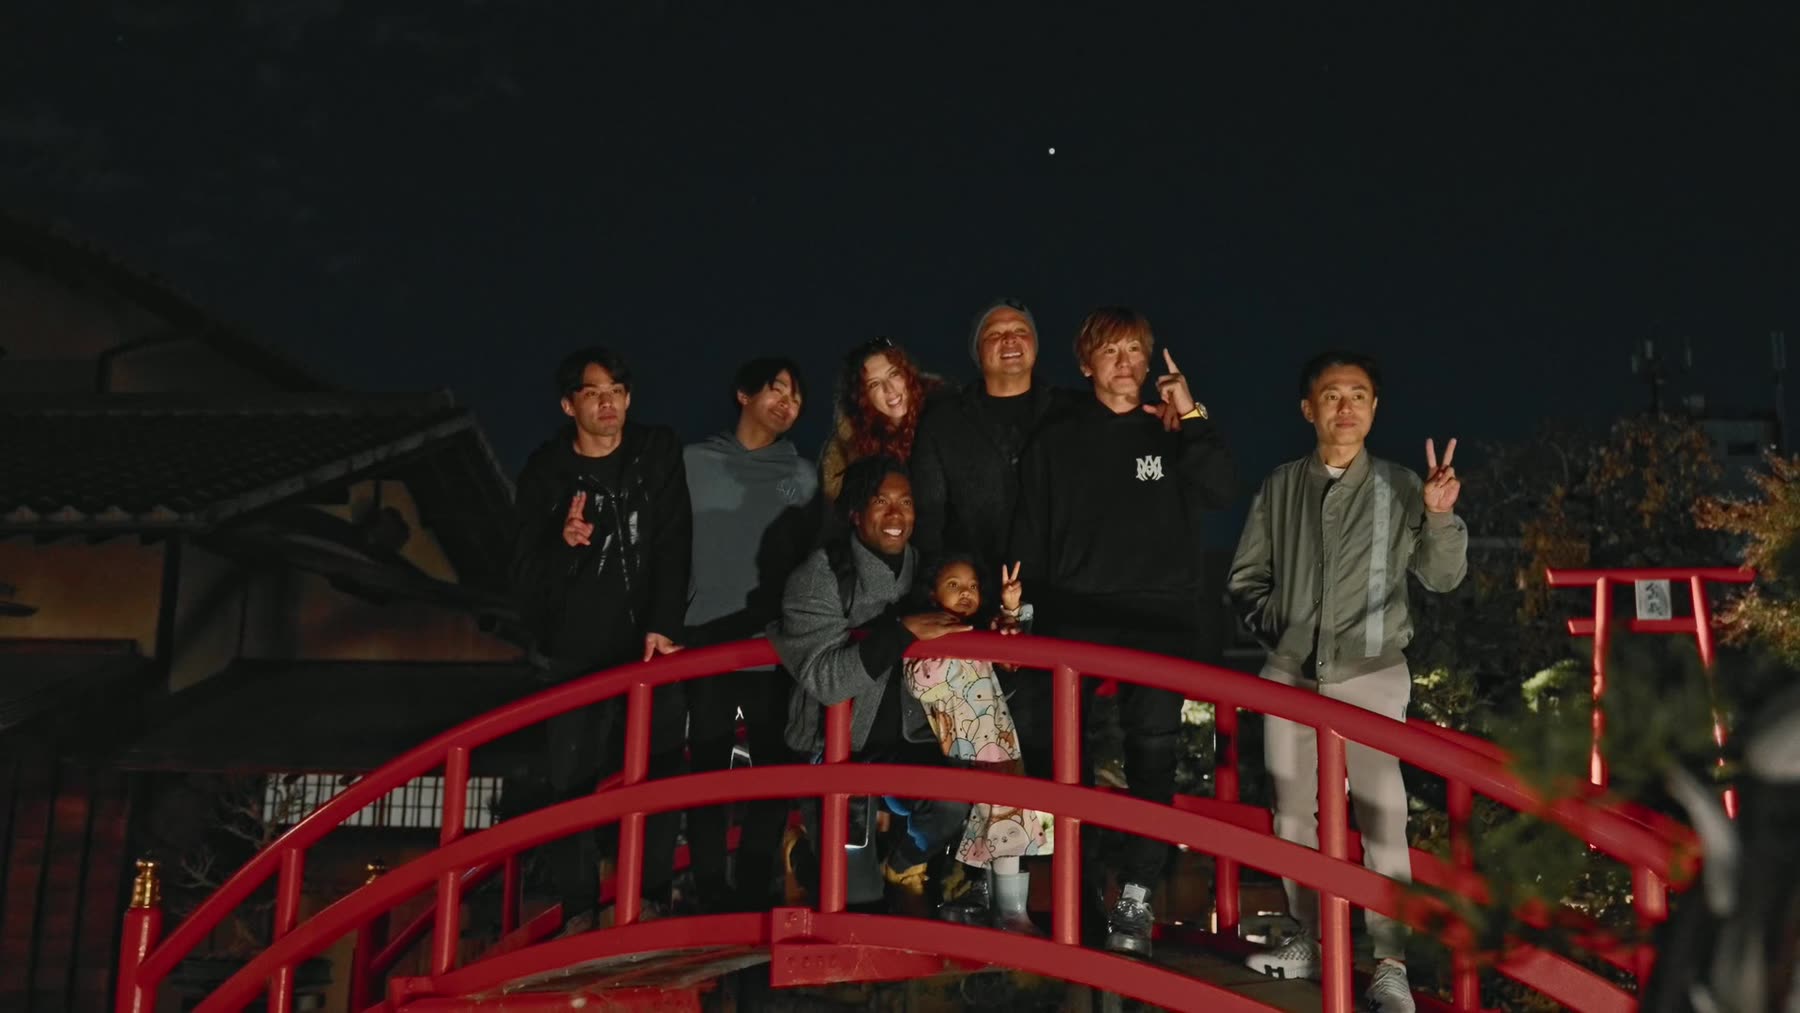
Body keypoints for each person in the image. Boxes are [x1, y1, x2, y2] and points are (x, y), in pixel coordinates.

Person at [1228, 349, 1467, 1013]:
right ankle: (1308, 933)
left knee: (1383, 814)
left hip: (1373, 671)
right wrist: (1285, 629)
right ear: (1308, 408)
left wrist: (1440, 515)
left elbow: (1443, 576)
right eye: (1331, 395)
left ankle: (1390, 962)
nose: (1345, 407)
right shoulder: (1281, 485)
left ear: (1375, 408)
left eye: (1358, 395)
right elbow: (1245, 578)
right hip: (1289, 674)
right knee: (1290, 811)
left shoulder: (1400, 484)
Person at [1010, 306, 1235, 957]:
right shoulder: (1057, 439)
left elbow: (1222, 490)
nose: (1126, 363)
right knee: (1062, 761)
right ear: (1087, 364)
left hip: (1158, 615)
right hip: (1074, 611)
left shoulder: (1172, 431)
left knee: (1153, 756)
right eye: (1111, 351)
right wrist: (1021, 609)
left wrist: (1192, 413)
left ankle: (1136, 894)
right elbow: (1030, 529)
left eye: (1136, 350)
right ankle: (1078, 892)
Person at [509, 346, 691, 934]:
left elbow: (674, 540)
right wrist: (563, 543)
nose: (607, 402)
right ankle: (580, 909)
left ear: (629, 397)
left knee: (660, 769)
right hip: (575, 649)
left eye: (616, 390)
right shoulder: (545, 473)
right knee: (572, 782)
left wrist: (665, 622)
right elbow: (523, 573)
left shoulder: (655, 452)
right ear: (569, 405)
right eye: (593, 393)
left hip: (649, 642)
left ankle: (652, 898)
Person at [769, 455, 973, 915]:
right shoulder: (820, 577)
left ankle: (900, 865)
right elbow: (826, 680)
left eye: (906, 502)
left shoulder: (928, 573)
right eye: (881, 502)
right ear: (856, 513)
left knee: (954, 802)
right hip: (837, 750)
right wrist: (902, 631)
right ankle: (805, 857)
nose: (896, 514)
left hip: (908, 745)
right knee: (856, 904)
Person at [911, 297, 1081, 777]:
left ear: (1036, 346)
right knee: (984, 752)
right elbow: (928, 520)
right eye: (995, 333)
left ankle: (1070, 829)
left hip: (1064, 600)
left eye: (1020, 331)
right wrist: (938, 598)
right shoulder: (946, 421)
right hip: (977, 606)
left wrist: (1184, 417)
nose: (1009, 340)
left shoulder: (1071, 412)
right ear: (977, 351)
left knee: (1067, 743)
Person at [680, 357, 821, 912]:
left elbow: (815, 562)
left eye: (796, 397)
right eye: (777, 389)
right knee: (707, 771)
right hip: (705, 640)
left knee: (775, 772)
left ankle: (755, 886)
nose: (788, 403)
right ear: (743, 394)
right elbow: (665, 547)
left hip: (776, 644)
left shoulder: (803, 477)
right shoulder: (693, 463)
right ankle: (709, 889)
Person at [903, 555, 1051, 934]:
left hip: (1000, 745)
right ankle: (1010, 913)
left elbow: (1013, 655)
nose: (965, 592)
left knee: (1003, 825)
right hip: (968, 751)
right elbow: (922, 684)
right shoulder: (926, 637)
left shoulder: (979, 633)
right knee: (1000, 824)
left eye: (971, 586)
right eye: (953, 585)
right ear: (932, 594)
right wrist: (950, 639)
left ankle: (1006, 910)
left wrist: (1011, 608)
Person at [818, 337, 938, 503]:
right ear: (863, 397)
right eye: (874, 384)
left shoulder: (944, 415)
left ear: (907, 375)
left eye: (893, 374)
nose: (889, 389)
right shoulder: (852, 444)